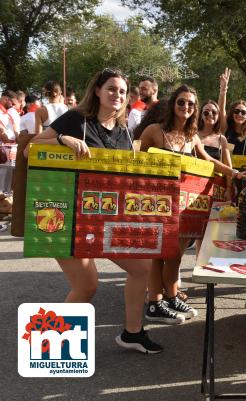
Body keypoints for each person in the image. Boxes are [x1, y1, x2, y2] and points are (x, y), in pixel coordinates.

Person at [28, 68, 163, 354]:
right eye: (112, 89)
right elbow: (31, 150)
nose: (117, 95)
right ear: (98, 91)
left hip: (106, 219)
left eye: (123, 91)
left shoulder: (125, 132)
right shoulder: (76, 120)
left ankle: (132, 333)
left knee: (142, 268)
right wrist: (62, 140)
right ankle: (50, 348)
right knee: (87, 285)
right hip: (67, 218)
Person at [139, 85, 246, 324]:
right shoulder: (154, 131)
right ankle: (154, 303)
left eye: (191, 104)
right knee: (158, 255)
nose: (186, 107)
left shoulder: (192, 137)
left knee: (175, 257)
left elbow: (209, 160)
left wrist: (234, 172)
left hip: (184, 207)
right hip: (159, 204)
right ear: (173, 105)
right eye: (181, 102)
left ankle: (170, 298)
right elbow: (137, 158)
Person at [217, 68, 246, 155]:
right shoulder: (226, 128)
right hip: (227, 167)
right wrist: (223, 90)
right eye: (237, 111)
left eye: (243, 112)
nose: (240, 114)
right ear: (232, 113)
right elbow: (221, 109)